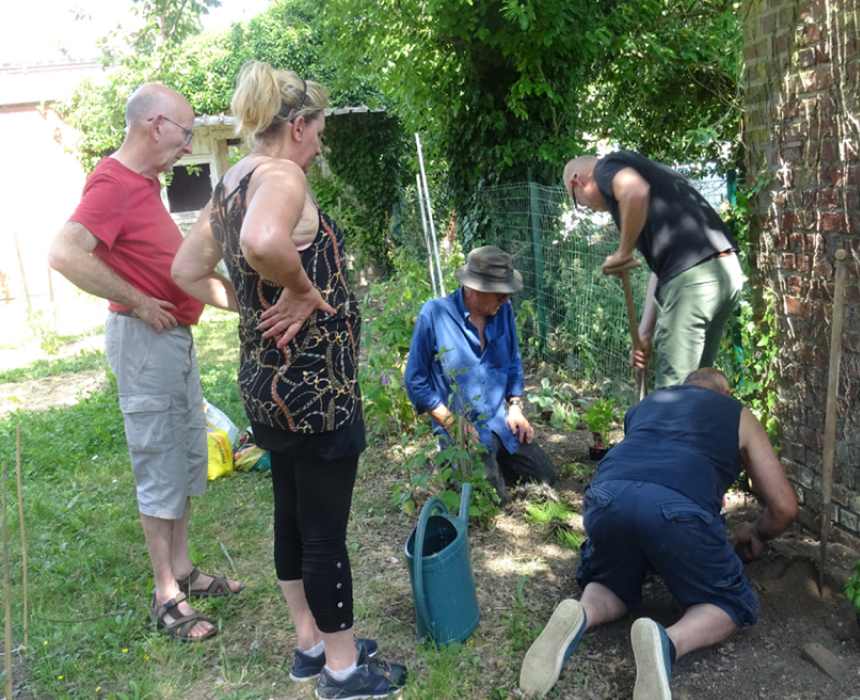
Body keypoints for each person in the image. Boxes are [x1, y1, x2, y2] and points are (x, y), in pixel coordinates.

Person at [171, 61, 405, 698]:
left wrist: (250, 305)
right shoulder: (280, 175)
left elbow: (187, 269)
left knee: (292, 519)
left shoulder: (233, 180)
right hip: (315, 388)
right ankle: (343, 667)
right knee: (325, 530)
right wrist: (300, 289)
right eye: (320, 129)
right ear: (297, 125)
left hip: (265, 382)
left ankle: (309, 644)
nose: (322, 141)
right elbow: (265, 239)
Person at [47, 84, 243, 643]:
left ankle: (182, 569)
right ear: (155, 125)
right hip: (144, 341)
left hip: (171, 339)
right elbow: (63, 251)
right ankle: (165, 594)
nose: (186, 147)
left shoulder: (144, 185)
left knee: (183, 452)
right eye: (184, 134)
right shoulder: (111, 181)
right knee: (158, 462)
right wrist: (136, 299)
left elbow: (166, 262)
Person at [519, 368, 797, 700]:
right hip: (676, 507)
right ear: (723, 394)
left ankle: (582, 613)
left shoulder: (647, 404)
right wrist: (757, 532)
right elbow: (784, 508)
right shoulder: (736, 412)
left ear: (684, 387)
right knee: (730, 601)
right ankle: (668, 643)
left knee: (611, 580)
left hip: (606, 498)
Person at [563, 153, 744, 389]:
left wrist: (624, 252)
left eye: (578, 203)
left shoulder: (605, 168)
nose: (592, 211)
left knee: (674, 396)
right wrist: (644, 333)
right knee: (699, 389)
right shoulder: (655, 173)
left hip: (694, 281)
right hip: (725, 272)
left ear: (577, 183)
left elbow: (635, 191)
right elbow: (661, 269)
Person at [404, 246, 558, 500]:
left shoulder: (503, 312)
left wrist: (516, 407)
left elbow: (513, 364)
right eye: (500, 295)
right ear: (476, 289)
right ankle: (476, 470)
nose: (506, 300)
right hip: (462, 428)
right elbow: (415, 381)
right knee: (485, 498)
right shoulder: (434, 314)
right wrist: (453, 425)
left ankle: (495, 466)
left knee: (546, 477)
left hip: (500, 421)